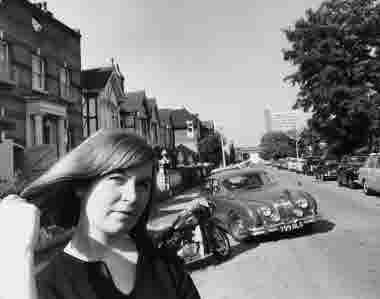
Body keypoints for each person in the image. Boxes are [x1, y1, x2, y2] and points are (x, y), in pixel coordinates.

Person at [0, 129, 201, 299]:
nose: (132, 196)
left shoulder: (165, 267)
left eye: (142, 184)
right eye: (117, 179)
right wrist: (17, 256)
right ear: (81, 185)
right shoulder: (46, 286)